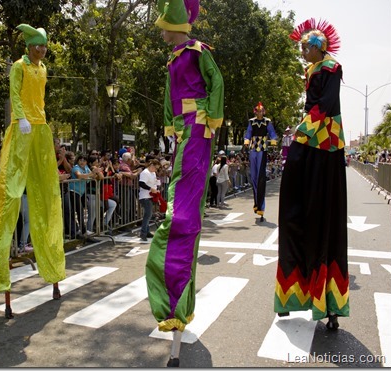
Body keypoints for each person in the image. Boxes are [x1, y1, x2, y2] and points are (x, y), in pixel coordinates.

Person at [144, 0, 224, 366]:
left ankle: (174, 288)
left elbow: (216, 81)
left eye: (163, 26)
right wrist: (170, 127)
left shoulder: (197, 51)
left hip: (199, 128)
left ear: (176, 26)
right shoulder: (174, 58)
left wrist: (212, 120)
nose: (160, 31)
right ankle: (177, 297)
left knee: (181, 217)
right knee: (179, 203)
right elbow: (168, 98)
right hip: (182, 132)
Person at [275, 19, 348, 331]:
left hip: (325, 147)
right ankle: (292, 295)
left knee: (324, 220)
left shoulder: (331, 67)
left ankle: (329, 305)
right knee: (292, 212)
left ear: (318, 48)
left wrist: (300, 131)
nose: (302, 52)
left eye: (306, 47)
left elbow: (326, 106)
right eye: (301, 47)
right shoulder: (312, 70)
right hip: (307, 144)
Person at [0, 24, 66, 304]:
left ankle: (54, 269)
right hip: (21, 129)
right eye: (38, 45)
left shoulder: (42, 68)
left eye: (44, 45)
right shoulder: (18, 67)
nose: (42, 49)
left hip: (40, 128)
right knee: (10, 195)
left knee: (47, 196)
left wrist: (39, 124)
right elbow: (14, 92)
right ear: (29, 46)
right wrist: (19, 117)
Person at [243, 102, 278, 221]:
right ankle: (256, 203)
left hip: (262, 149)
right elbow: (248, 133)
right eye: (257, 111)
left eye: (261, 110)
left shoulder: (267, 121)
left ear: (264, 112)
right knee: (254, 177)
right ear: (255, 112)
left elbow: (272, 132)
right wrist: (246, 140)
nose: (259, 112)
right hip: (253, 149)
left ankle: (261, 206)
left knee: (260, 177)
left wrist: (273, 140)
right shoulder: (251, 121)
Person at [138, 159, 160, 241]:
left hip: (151, 196)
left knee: (148, 215)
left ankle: (146, 231)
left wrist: (156, 188)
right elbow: (141, 183)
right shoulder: (145, 173)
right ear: (152, 166)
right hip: (145, 196)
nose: (156, 170)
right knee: (148, 215)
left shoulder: (153, 172)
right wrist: (150, 189)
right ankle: (143, 233)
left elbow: (154, 182)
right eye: (155, 168)